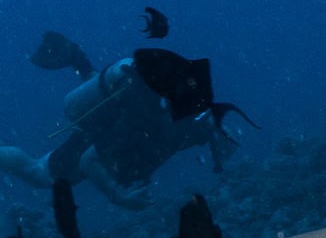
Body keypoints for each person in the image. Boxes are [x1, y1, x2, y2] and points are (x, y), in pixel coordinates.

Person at [0, 39, 235, 210]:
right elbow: (88, 160)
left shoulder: (185, 119)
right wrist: (119, 197)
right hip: (102, 127)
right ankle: (79, 62)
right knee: (39, 173)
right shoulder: (149, 120)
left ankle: (79, 61)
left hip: (121, 94)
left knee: (112, 98)